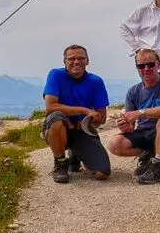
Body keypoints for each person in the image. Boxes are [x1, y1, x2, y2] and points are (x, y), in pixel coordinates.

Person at [106, 48, 160, 184]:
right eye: (141, 66)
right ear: (137, 68)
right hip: (145, 133)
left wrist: (141, 113)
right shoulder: (133, 91)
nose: (146, 69)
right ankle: (149, 155)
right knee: (114, 144)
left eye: (150, 65)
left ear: (158, 65)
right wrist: (125, 126)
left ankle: (157, 166)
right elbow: (131, 126)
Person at [41, 44, 110, 183]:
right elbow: (50, 107)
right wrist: (84, 110)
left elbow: (102, 116)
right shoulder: (56, 75)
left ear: (87, 61)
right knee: (55, 119)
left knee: (102, 173)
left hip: (81, 130)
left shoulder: (95, 81)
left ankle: (76, 155)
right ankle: (60, 162)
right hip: (61, 127)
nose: (76, 62)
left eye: (81, 58)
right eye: (71, 59)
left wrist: (91, 120)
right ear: (65, 62)